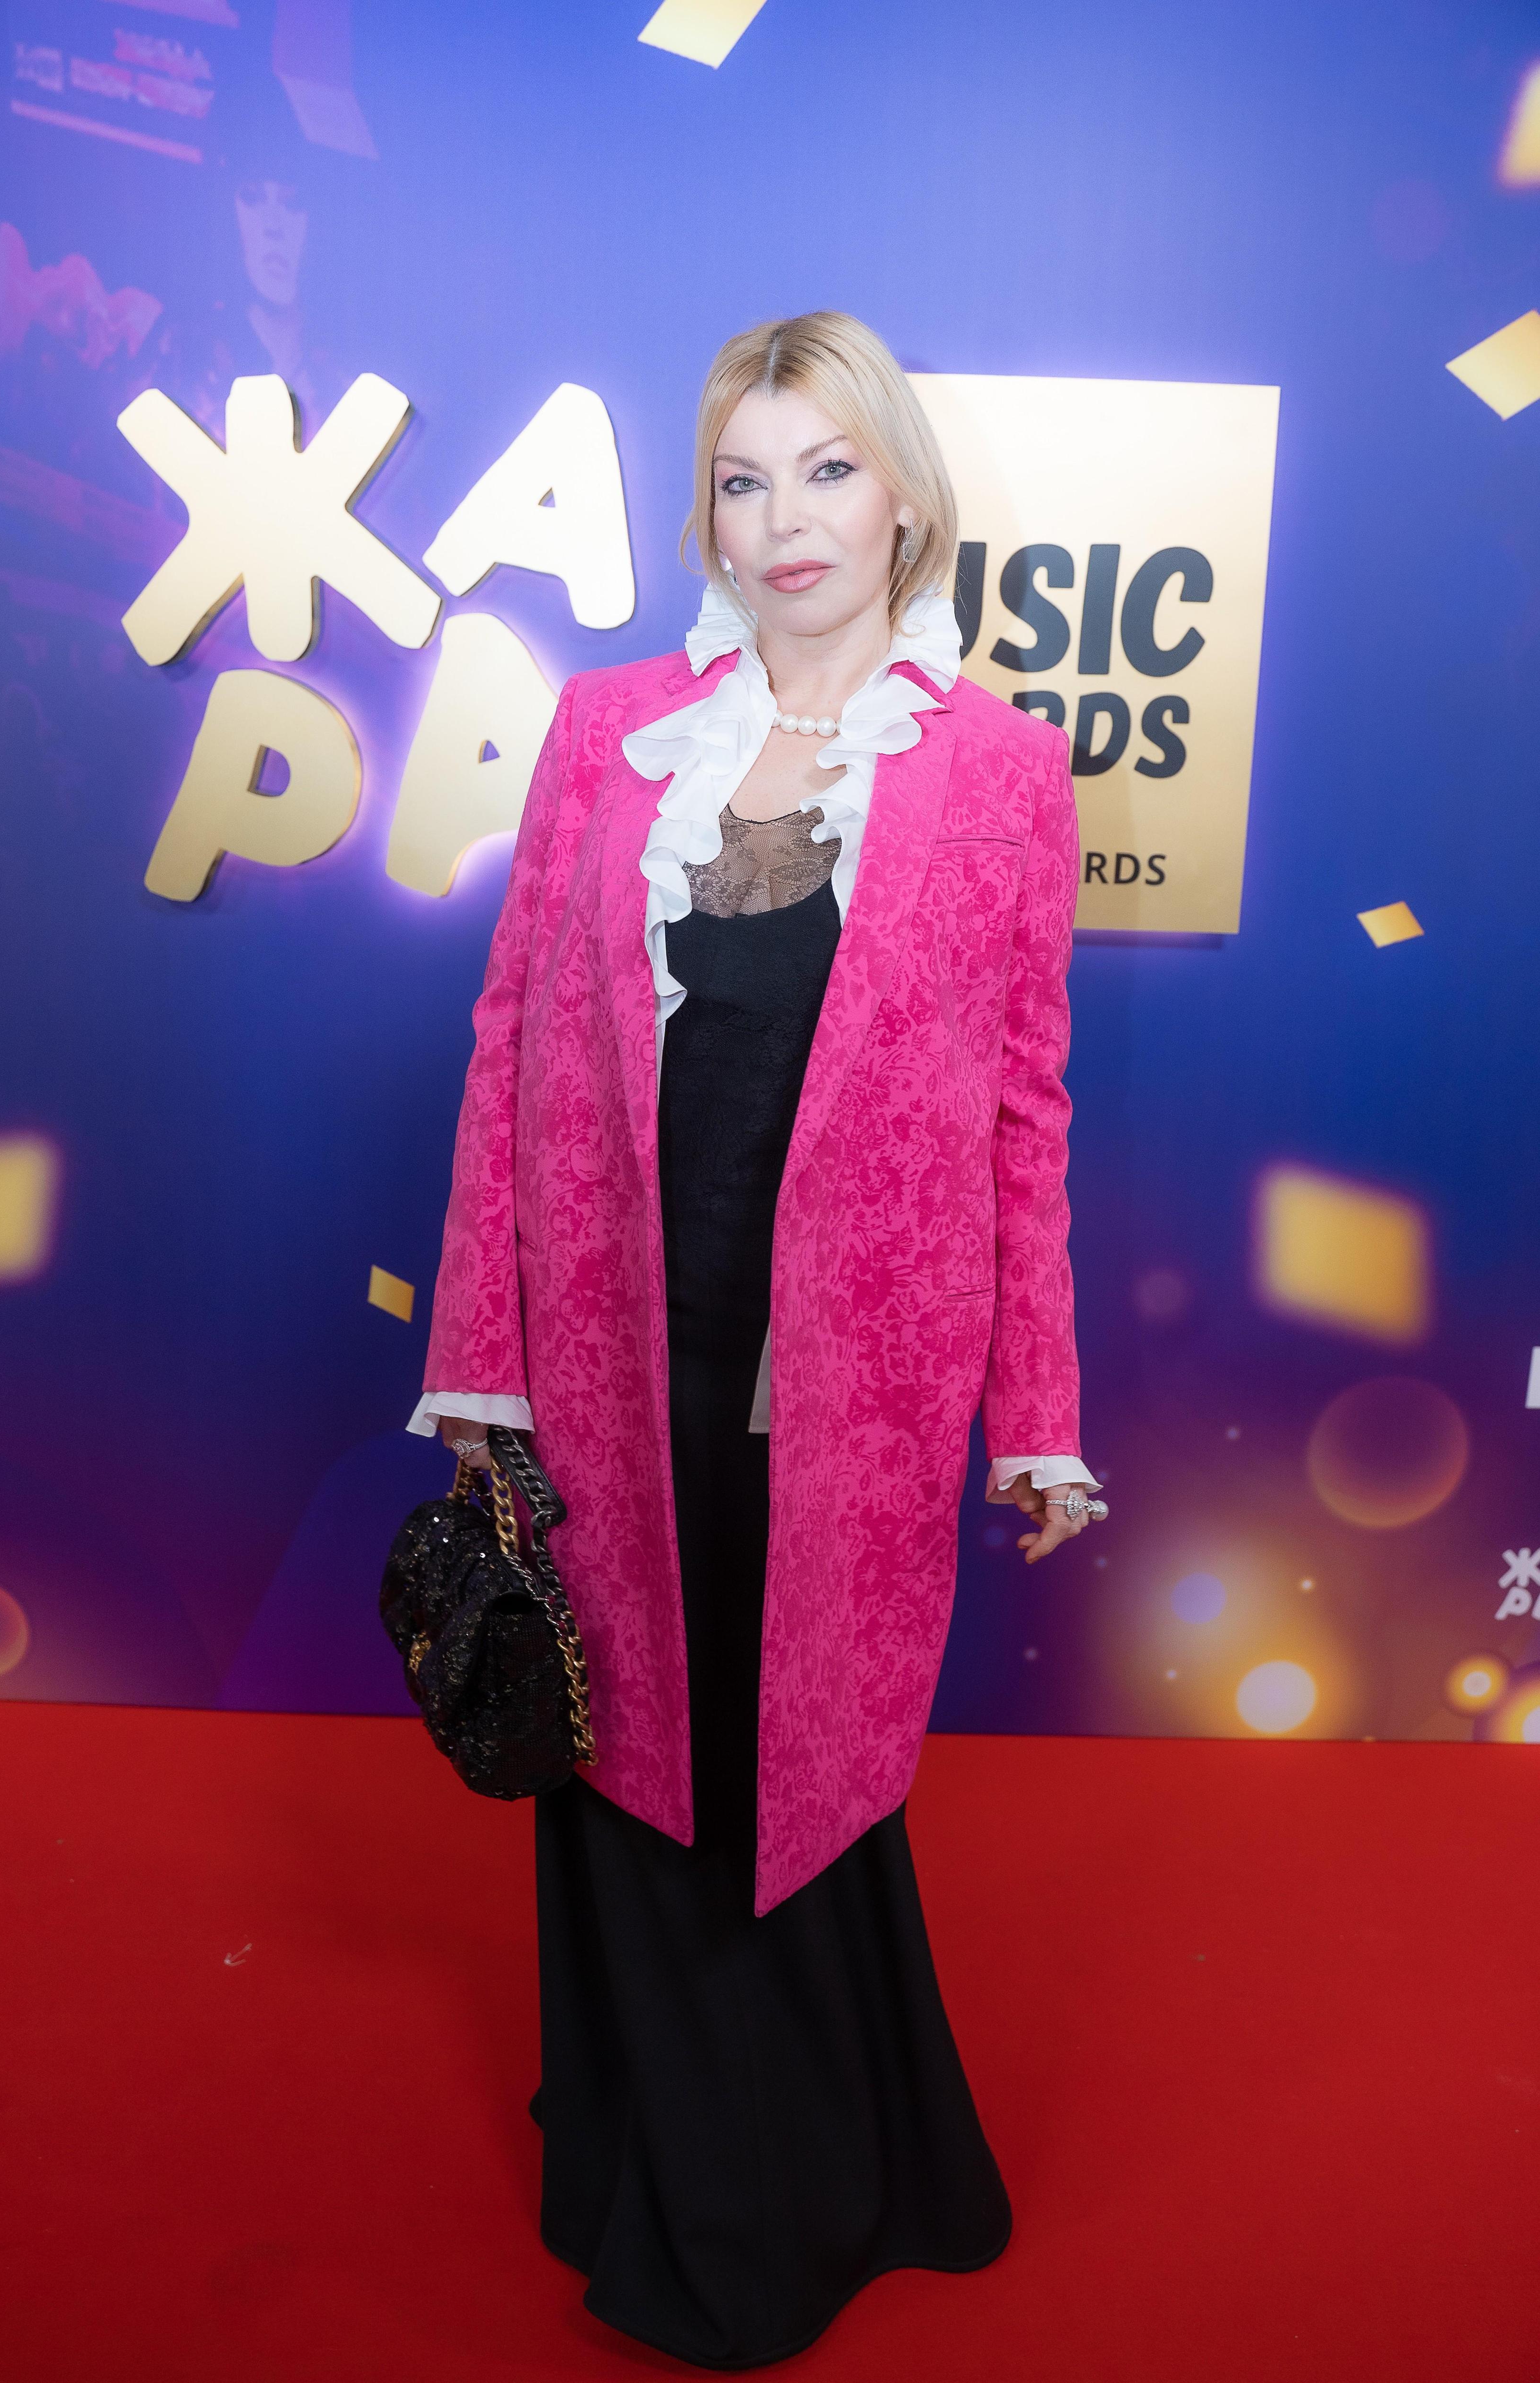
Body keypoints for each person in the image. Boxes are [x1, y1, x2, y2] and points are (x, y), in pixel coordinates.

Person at [409, 311, 1102, 2370]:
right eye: (741, 477)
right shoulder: (609, 731)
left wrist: (1038, 1415)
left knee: (799, 1772)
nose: (784, 518)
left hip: (852, 1396)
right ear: (706, 515)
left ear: (901, 498)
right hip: (614, 1364)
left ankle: (820, 2186)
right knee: (624, 1752)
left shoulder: (1002, 772)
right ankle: (653, 2177)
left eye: (825, 468)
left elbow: (1027, 1118)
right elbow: (510, 1048)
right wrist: (483, 1357)